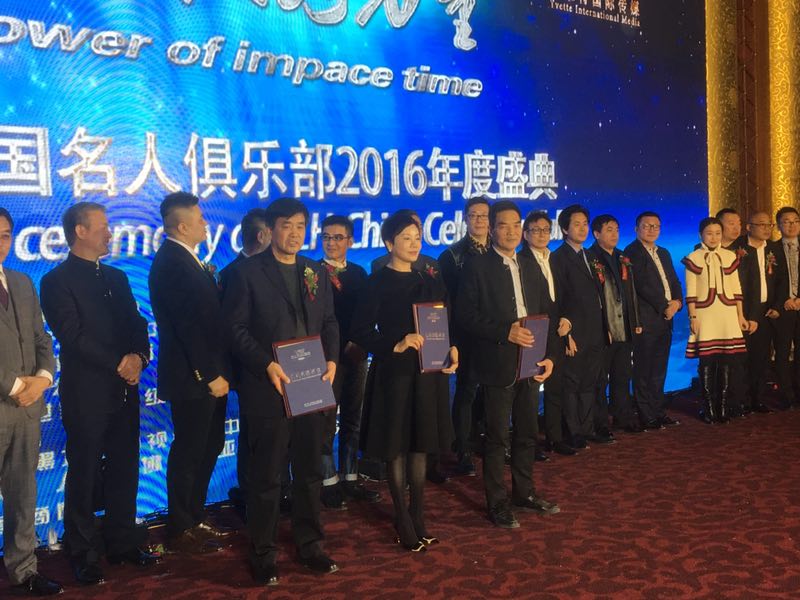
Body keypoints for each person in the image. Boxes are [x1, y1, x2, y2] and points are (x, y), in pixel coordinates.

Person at [41, 203, 159, 585]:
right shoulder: (56, 281)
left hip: (125, 389)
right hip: (86, 393)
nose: (110, 233)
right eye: (104, 226)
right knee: (85, 472)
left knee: (125, 466)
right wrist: (119, 363)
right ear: (80, 231)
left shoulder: (117, 277)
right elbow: (72, 336)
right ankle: (83, 552)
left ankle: (122, 542)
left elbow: (137, 323)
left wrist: (139, 357)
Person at [224, 198, 340, 585]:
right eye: (287, 225)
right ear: (271, 230)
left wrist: (332, 360)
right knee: (267, 477)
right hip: (268, 387)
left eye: (300, 226)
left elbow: (329, 321)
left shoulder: (314, 271)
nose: (294, 233)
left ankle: (311, 545)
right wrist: (265, 364)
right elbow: (234, 329)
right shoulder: (246, 272)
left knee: (309, 471)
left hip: (311, 386)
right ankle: (263, 552)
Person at [351, 211, 457, 551]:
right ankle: (402, 516)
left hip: (427, 375)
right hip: (394, 374)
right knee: (396, 445)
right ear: (388, 243)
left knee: (420, 442)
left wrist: (451, 348)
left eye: (417, 237)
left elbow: (444, 321)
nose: (414, 244)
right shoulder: (376, 283)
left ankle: (418, 514)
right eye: (406, 238)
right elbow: (360, 330)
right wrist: (395, 344)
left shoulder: (429, 280)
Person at [456, 200, 559, 529]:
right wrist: (505, 332)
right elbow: (465, 316)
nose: (512, 231)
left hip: (531, 361)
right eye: (503, 225)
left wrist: (550, 355)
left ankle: (524, 493)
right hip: (497, 361)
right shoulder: (476, 267)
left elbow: (546, 313)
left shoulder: (530, 264)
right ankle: (497, 503)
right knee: (497, 437)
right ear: (491, 228)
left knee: (527, 432)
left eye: (517, 225)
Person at [148, 192, 232, 554]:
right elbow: (188, 327)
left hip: (208, 375)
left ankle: (195, 516)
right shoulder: (171, 262)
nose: (205, 223)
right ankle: (181, 525)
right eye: (199, 219)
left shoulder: (189, 259)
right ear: (182, 226)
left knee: (208, 445)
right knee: (189, 450)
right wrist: (209, 374)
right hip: (193, 378)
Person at [0, 208, 63, 596]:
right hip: (7, 398)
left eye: (5, 234)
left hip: (27, 409)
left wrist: (42, 379)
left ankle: (24, 569)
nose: (1, 243)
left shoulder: (22, 282)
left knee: (23, 494)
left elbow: (42, 339)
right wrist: (13, 385)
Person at [318, 215, 381, 509]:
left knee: (353, 418)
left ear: (351, 241)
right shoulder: (311, 272)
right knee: (325, 422)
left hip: (356, 355)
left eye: (337, 237)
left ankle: (350, 477)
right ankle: (327, 480)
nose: (331, 243)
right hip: (326, 360)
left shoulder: (359, 273)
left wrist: (361, 345)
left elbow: (367, 315)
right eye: (326, 237)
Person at [219, 207, 272, 518]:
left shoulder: (276, 269)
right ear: (263, 235)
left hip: (279, 367)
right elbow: (230, 329)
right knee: (252, 431)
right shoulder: (232, 273)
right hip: (247, 368)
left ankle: (273, 489)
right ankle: (250, 493)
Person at [438, 197, 490, 476]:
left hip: (495, 332)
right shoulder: (452, 255)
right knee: (467, 390)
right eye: (474, 215)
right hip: (465, 333)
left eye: (484, 215)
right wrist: (452, 340)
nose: (479, 220)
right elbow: (446, 302)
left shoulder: (500, 249)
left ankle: (486, 439)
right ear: (465, 219)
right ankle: (463, 449)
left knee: (491, 389)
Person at [550, 205, 611, 448]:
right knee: (572, 382)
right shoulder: (558, 258)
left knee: (590, 381)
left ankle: (587, 429)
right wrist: (566, 336)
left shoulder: (591, 256)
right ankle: (572, 431)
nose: (583, 228)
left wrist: (606, 326)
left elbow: (600, 295)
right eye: (577, 224)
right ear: (565, 229)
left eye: (585, 223)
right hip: (574, 331)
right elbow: (559, 299)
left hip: (595, 329)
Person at [520, 211, 575, 456]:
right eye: (536, 230)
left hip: (556, 332)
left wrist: (567, 320)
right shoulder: (521, 260)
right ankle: (528, 443)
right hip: (532, 332)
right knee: (530, 392)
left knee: (555, 388)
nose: (542, 234)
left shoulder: (555, 259)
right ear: (525, 234)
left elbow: (566, 295)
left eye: (545, 230)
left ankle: (554, 438)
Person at [683, 217, 748, 423]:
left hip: (727, 312)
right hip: (704, 313)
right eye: (709, 233)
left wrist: (740, 315)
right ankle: (708, 407)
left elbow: (737, 288)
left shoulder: (730, 256)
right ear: (700, 235)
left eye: (718, 233)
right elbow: (691, 291)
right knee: (707, 360)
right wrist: (693, 317)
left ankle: (723, 407)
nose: (714, 237)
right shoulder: (693, 257)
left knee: (727, 360)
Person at [624, 212, 683, 430]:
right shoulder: (632, 252)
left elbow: (674, 281)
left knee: (659, 370)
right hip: (646, 320)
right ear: (636, 228)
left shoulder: (664, 252)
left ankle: (658, 411)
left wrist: (678, 302)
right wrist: (665, 305)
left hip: (666, 319)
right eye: (647, 226)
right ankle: (645, 414)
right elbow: (642, 286)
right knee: (643, 370)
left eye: (656, 226)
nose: (652, 230)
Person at [588, 215, 643, 434]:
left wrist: (635, 322)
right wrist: (603, 327)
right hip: (603, 330)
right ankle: (600, 423)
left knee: (622, 376)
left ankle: (623, 417)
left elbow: (631, 293)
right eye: (609, 229)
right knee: (600, 380)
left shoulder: (622, 257)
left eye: (617, 230)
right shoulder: (590, 258)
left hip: (625, 328)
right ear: (596, 234)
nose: (614, 234)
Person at [738, 212, 780, 413]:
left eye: (769, 225)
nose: (766, 228)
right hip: (743, 311)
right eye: (762, 224)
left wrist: (777, 306)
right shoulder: (738, 248)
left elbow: (781, 280)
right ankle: (741, 400)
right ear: (749, 227)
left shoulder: (773, 249)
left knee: (761, 358)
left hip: (766, 311)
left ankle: (758, 399)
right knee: (742, 358)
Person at [770, 206, 800, 410]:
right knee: (781, 352)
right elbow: (769, 281)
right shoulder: (771, 249)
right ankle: (787, 395)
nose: (792, 225)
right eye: (787, 221)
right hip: (783, 308)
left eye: (795, 221)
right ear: (779, 225)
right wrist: (783, 302)